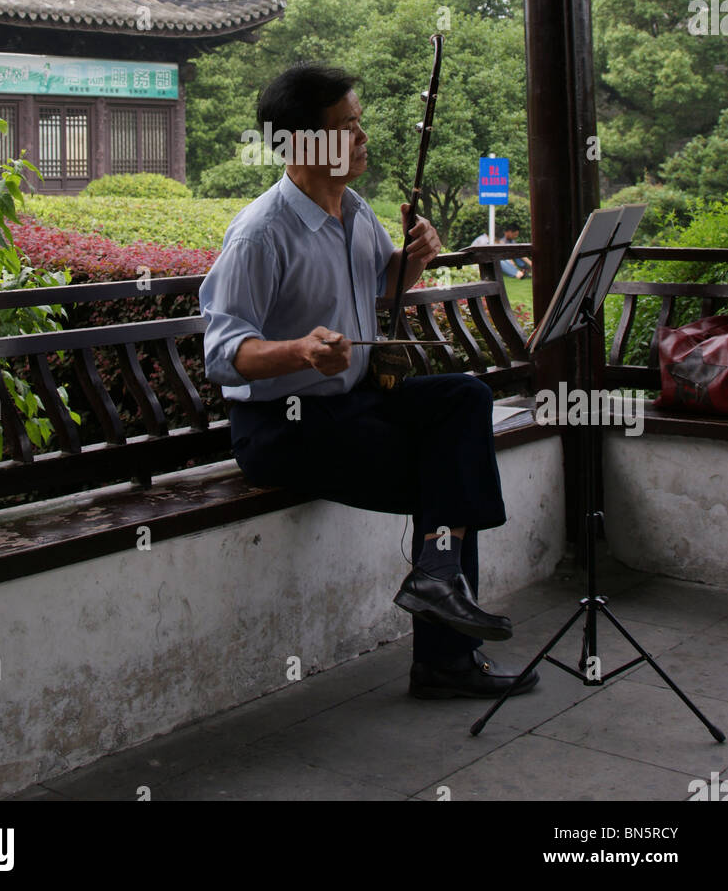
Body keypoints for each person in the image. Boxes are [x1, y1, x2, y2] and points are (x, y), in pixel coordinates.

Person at [199, 64, 538, 699]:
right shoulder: (260, 233)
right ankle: (444, 655)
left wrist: (407, 266)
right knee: (447, 471)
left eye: (360, 123)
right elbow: (223, 353)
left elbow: (372, 295)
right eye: (346, 127)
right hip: (284, 427)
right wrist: (299, 351)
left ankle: (435, 579)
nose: (362, 138)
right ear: (300, 144)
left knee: (463, 398)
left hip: (353, 402)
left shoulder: (355, 212)